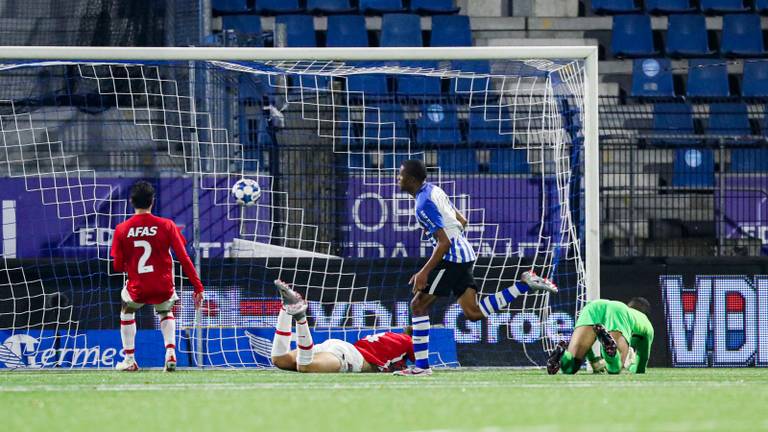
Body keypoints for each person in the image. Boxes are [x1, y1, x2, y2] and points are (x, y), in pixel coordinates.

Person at [396, 159, 558, 376]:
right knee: (472, 313)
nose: (398, 179)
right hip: (465, 254)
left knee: (418, 305)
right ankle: (525, 284)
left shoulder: (422, 204)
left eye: (401, 176)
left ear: (412, 179)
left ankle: (422, 367)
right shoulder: (434, 190)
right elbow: (462, 220)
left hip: (452, 257)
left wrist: (424, 272)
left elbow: (444, 243)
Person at [110, 181, 205, 372]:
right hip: (163, 286)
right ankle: (170, 352)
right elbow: (184, 258)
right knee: (165, 311)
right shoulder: (167, 225)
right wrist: (198, 287)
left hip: (138, 287)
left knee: (126, 310)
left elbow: (118, 266)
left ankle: (129, 360)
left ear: (131, 202)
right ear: (153, 201)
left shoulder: (121, 229)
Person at [270, 280, 414, 373]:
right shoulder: (409, 342)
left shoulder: (392, 337)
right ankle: (301, 318)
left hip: (338, 348)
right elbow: (422, 363)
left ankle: (286, 307)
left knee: (279, 360)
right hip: (351, 357)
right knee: (305, 367)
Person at [547, 297, 654, 375]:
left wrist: (593, 360)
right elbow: (641, 366)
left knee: (571, 368)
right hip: (618, 310)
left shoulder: (625, 310)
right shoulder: (646, 324)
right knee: (614, 368)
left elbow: (587, 347)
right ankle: (608, 345)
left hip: (594, 306)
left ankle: (562, 353)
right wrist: (630, 365)